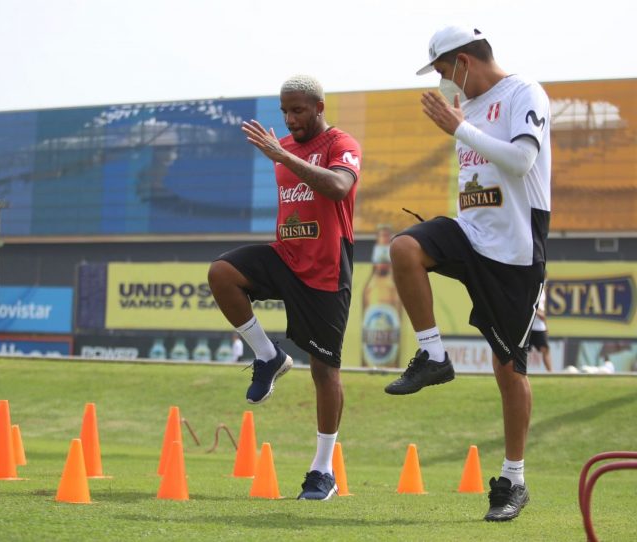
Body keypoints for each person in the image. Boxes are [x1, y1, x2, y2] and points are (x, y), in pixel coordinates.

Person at [384, 25, 551, 522]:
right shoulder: (466, 108)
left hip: (517, 253)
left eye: (441, 69)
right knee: (405, 249)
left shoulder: (524, 92)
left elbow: (521, 161)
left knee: (509, 369)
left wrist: (459, 129)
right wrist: (461, 125)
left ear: (463, 61)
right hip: (470, 232)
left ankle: (513, 480)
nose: (440, 81)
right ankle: (434, 356)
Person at [207, 74, 361, 501]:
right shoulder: (284, 147)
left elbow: (337, 187)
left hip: (327, 269)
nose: (290, 119)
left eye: (298, 110)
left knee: (324, 370)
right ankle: (268, 355)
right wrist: (282, 152)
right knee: (222, 273)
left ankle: (322, 470)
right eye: (285, 111)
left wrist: (281, 154)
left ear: (319, 107)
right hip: (286, 256)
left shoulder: (340, 143)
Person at [529, 286, 553, 372]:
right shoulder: (531, 287)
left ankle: (550, 372)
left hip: (539, 326)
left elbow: (542, 308)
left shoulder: (542, 291)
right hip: (528, 325)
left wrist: (545, 326)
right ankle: (520, 371)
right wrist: (537, 312)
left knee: (545, 349)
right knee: (523, 350)